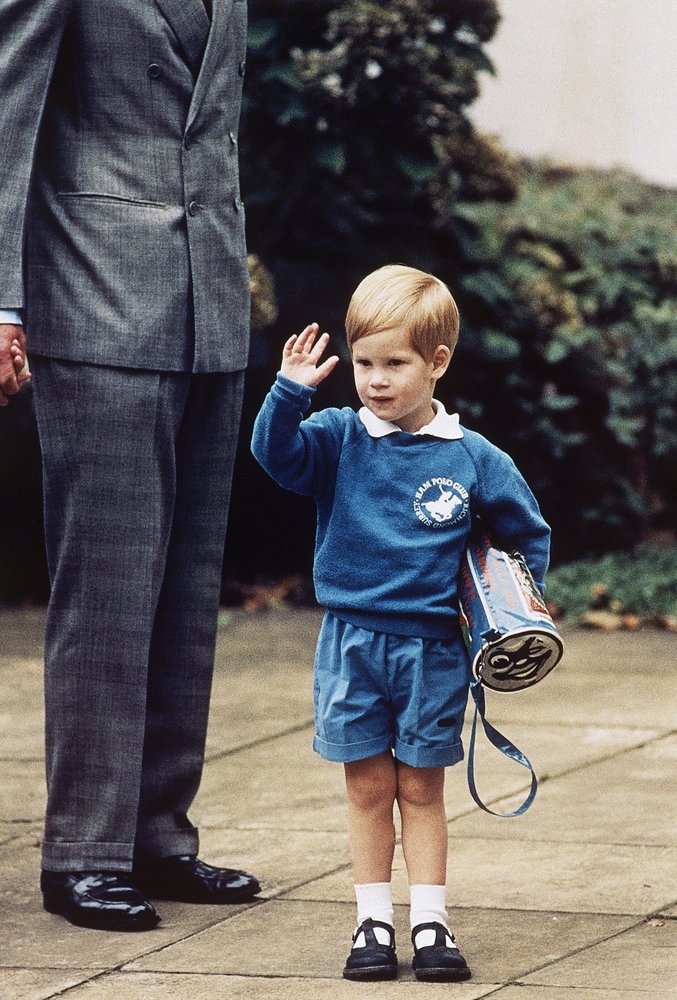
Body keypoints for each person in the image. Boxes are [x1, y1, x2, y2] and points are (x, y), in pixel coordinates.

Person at [0, 0, 259, 931]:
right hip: (94, 291)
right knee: (106, 594)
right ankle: (83, 852)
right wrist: (0, 301)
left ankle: (157, 838)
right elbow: (5, 111)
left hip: (207, 302)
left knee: (185, 595)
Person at [251, 264, 550, 982]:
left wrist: (509, 611)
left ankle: (431, 923)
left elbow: (522, 535)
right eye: (362, 364)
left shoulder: (472, 457)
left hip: (432, 651)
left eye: (394, 363)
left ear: (436, 362)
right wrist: (288, 390)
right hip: (351, 645)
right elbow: (274, 455)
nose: (376, 380)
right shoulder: (335, 438)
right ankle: (371, 924)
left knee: (420, 788)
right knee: (366, 788)